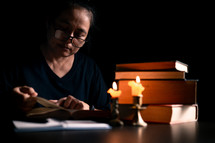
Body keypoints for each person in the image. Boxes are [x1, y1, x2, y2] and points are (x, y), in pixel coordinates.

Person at [0, 0, 110, 119]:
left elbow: (108, 113)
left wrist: (88, 109)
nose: (69, 40)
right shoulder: (19, 63)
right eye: (63, 29)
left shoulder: (89, 69)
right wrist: (13, 101)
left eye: (79, 35)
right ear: (49, 24)